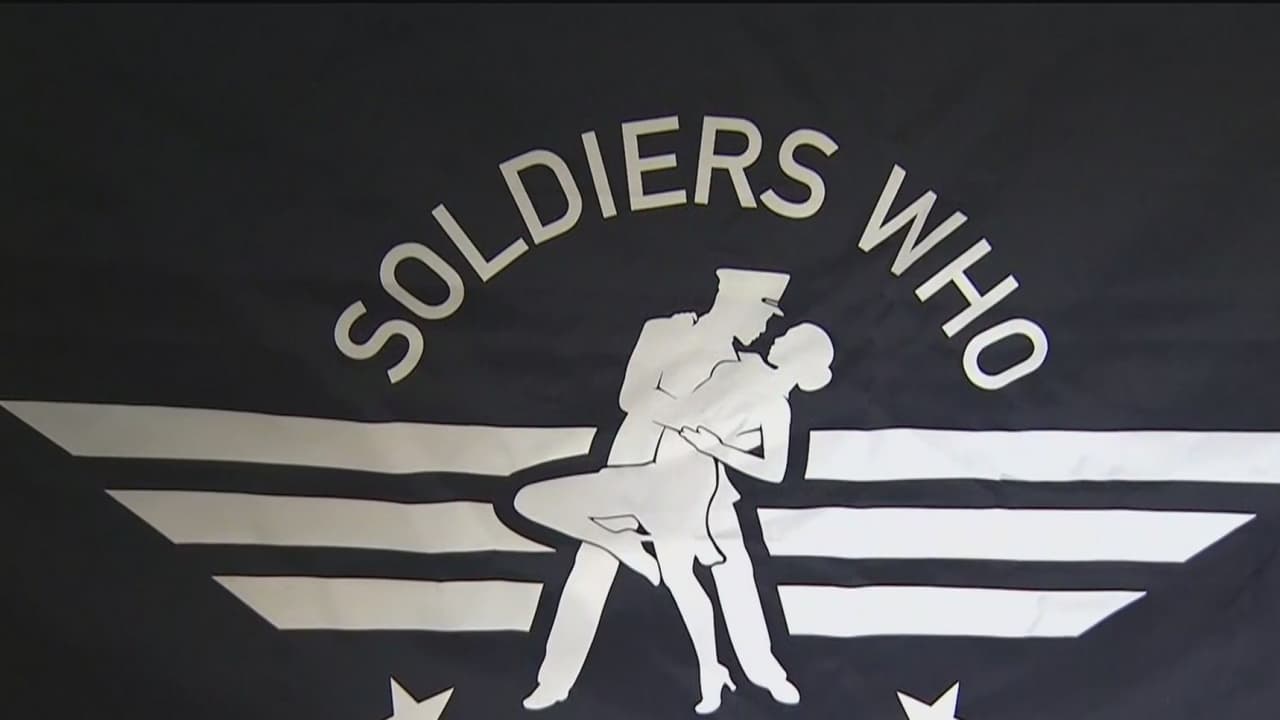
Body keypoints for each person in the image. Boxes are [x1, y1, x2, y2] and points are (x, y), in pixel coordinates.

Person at [512, 268, 801, 712]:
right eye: (763, 313)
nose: (764, 327)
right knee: (592, 568)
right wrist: (693, 420)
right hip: (632, 465)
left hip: (700, 483)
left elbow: (746, 436)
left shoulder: (745, 367)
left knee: (734, 570)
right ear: (735, 301)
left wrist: (711, 433)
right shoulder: (667, 331)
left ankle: (763, 672)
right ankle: (554, 680)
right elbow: (632, 395)